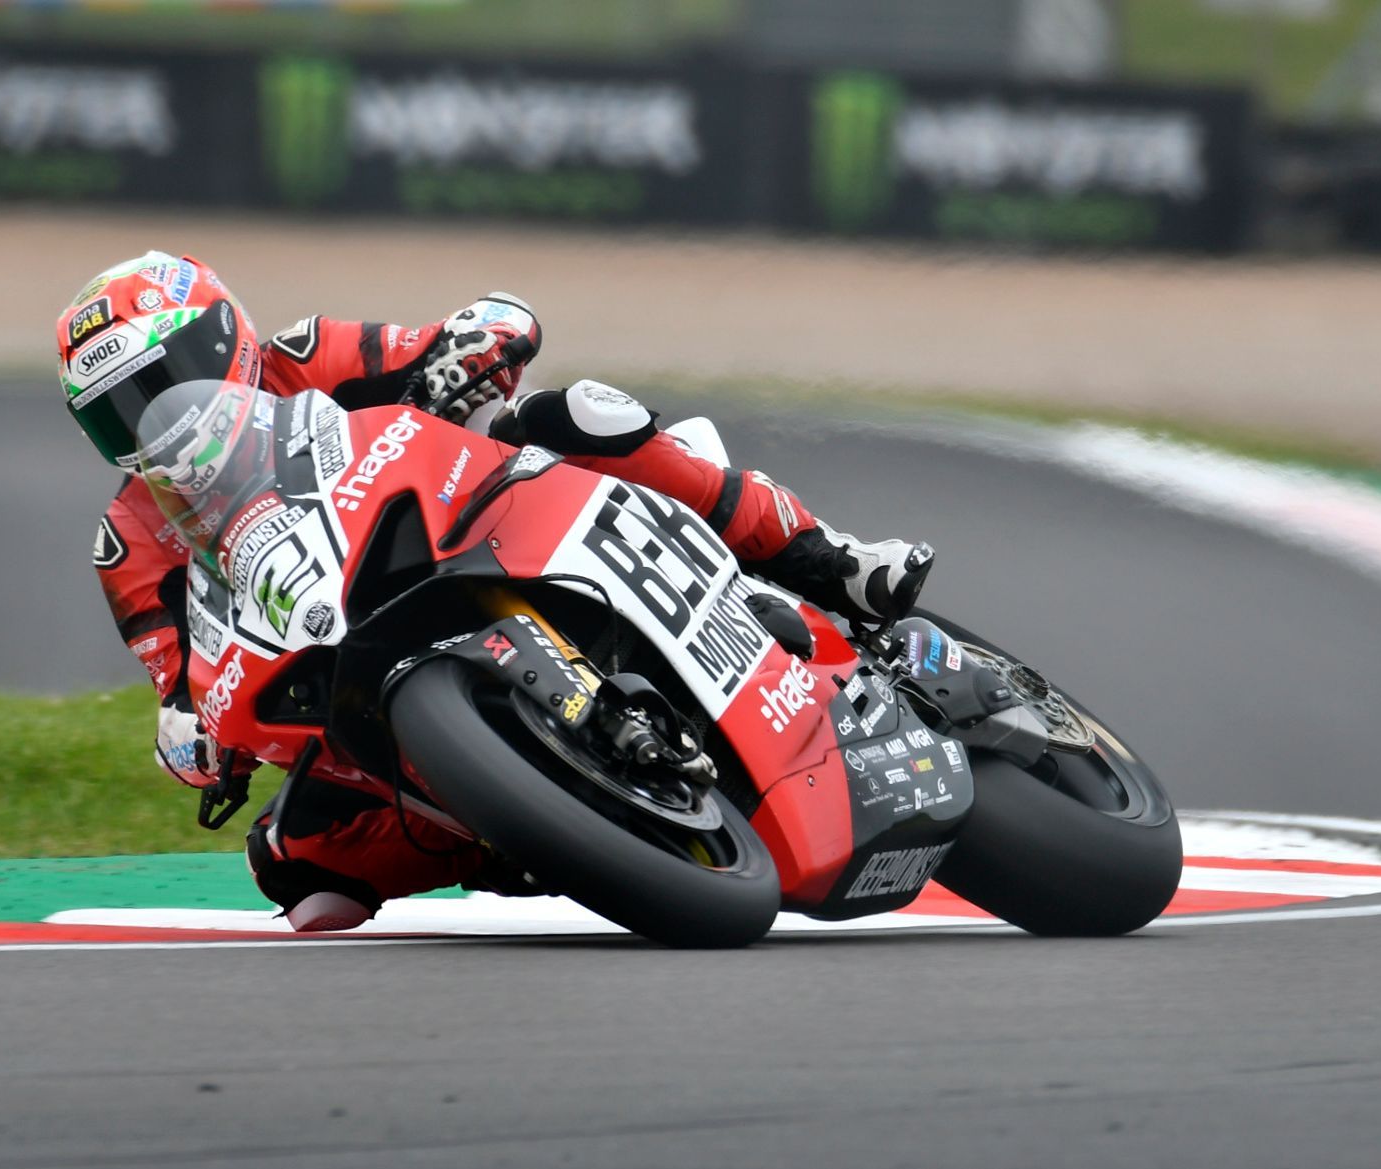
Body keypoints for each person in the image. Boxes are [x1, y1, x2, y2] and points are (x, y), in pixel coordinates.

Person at [57, 250, 933, 932]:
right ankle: (525, 828)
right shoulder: (129, 540)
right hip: (341, 648)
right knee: (293, 864)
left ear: (223, 342)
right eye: (116, 412)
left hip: (467, 520)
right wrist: (188, 730)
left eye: (160, 384)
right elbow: (176, 673)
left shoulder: (303, 356)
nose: (150, 421)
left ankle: (825, 557)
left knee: (573, 414)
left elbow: (491, 325)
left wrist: (459, 357)